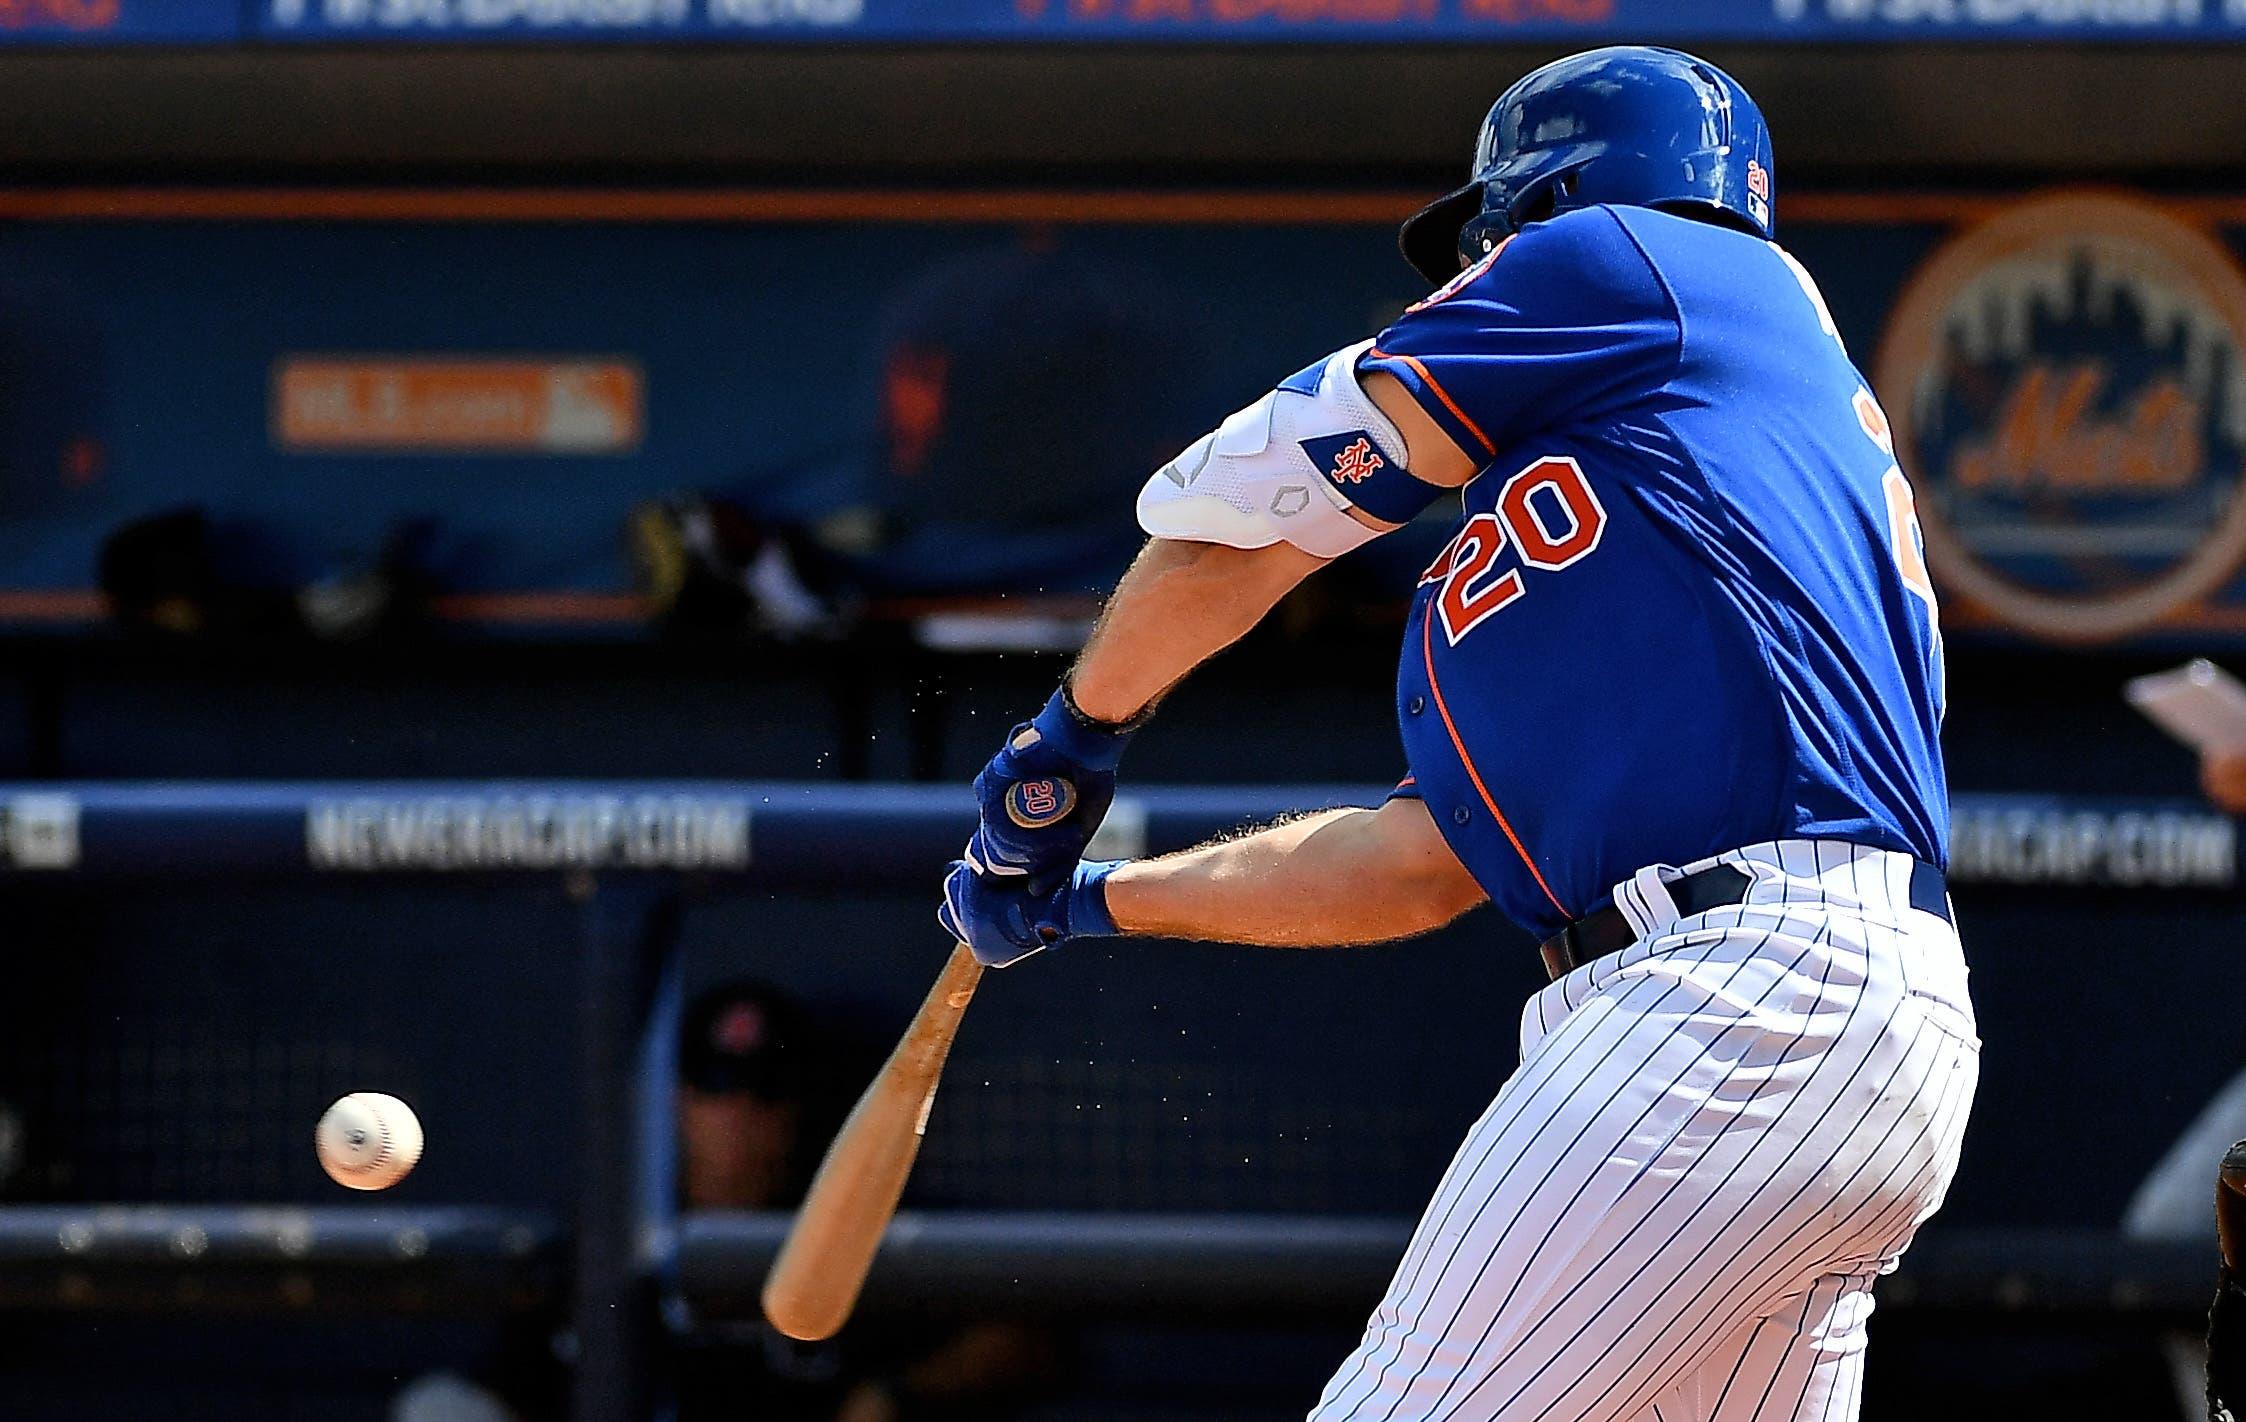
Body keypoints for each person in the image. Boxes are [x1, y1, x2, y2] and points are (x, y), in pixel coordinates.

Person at [939, 46, 1976, 1422]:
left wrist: (1068, 741)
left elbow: (1232, 517)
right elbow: (1415, 859)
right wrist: (1093, 901)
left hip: (1736, 1001)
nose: (1459, 274)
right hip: (1820, 1022)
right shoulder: (1621, 503)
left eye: (1487, 233)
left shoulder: (1643, 260)